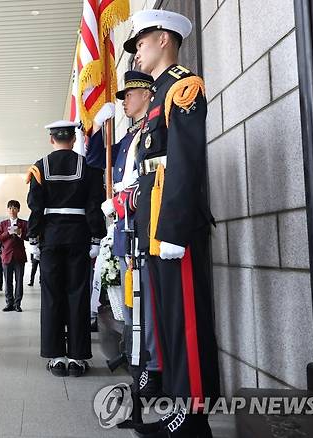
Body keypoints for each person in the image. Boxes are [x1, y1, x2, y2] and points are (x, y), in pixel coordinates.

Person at [123, 9, 220, 437]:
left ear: (163, 38)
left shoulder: (183, 87)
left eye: (140, 43)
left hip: (173, 229)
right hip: (155, 228)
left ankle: (193, 418)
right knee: (169, 323)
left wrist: (174, 231)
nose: (136, 52)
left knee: (186, 322)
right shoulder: (159, 94)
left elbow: (184, 162)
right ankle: (179, 409)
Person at [87, 70, 162, 395]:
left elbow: (155, 179)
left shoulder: (155, 129)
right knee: (132, 305)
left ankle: (152, 367)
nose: (125, 102)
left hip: (144, 225)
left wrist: (121, 202)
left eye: (129, 95)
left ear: (146, 93)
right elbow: (93, 159)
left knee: (148, 302)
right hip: (125, 230)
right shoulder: (130, 137)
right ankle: (139, 362)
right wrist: (96, 131)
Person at [26, 120, 106, 377]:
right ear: (73, 140)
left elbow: (35, 207)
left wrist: (34, 238)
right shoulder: (90, 168)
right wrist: (96, 238)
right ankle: (77, 357)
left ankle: (56, 356)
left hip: (51, 237)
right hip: (79, 236)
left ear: (52, 140)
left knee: (52, 296)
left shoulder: (39, 168)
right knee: (78, 295)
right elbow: (94, 206)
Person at [0, 200, 28, 312]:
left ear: (18, 210)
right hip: (6, 256)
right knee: (8, 281)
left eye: (14, 208)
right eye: (10, 208)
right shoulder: (3, 224)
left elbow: (28, 237)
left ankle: (17, 304)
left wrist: (20, 233)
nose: (12, 210)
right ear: (7, 210)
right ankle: (9, 303)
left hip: (19, 256)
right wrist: (8, 232)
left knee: (19, 281)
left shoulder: (24, 223)